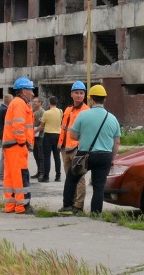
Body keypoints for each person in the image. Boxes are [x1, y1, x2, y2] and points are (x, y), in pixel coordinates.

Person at [59, 84, 121, 215]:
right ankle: (96, 212)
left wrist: (84, 136)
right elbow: (117, 142)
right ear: (104, 100)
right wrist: (112, 158)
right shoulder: (112, 118)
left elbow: (73, 135)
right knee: (99, 186)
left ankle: (68, 207)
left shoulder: (83, 115)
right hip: (105, 156)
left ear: (91, 100)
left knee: (72, 179)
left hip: (85, 154)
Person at [1, 77, 35, 214]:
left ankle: (10, 205)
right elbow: (18, 126)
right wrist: (23, 143)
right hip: (17, 146)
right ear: (23, 91)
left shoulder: (15, 103)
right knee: (21, 176)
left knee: (10, 177)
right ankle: (22, 206)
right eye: (30, 90)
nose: (33, 93)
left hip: (10, 146)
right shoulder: (20, 104)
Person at [57, 80, 89, 212]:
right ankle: (71, 203)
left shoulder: (86, 111)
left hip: (77, 148)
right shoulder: (68, 110)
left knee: (79, 178)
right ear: (71, 94)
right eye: (76, 93)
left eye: (81, 93)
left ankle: (78, 205)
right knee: (70, 179)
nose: (79, 95)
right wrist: (60, 145)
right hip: (65, 148)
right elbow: (64, 128)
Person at [37, 96, 62, 182]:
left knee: (47, 157)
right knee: (57, 157)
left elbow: (41, 126)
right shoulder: (60, 111)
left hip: (48, 136)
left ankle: (46, 176)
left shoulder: (46, 113)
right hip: (58, 135)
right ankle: (58, 176)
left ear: (49, 103)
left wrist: (34, 131)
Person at [0, 93, 12, 179]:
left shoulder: (2, 108)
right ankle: (1, 175)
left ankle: (2, 174)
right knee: (4, 155)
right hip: (3, 134)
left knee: (4, 154)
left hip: (1, 134)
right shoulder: (5, 109)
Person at [30, 96, 44, 179]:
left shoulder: (42, 112)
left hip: (40, 136)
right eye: (33, 101)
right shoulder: (33, 111)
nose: (34, 103)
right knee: (35, 154)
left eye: (35, 102)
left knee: (41, 155)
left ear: (39, 102)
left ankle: (42, 172)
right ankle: (38, 171)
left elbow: (42, 125)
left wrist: (33, 132)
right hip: (34, 136)